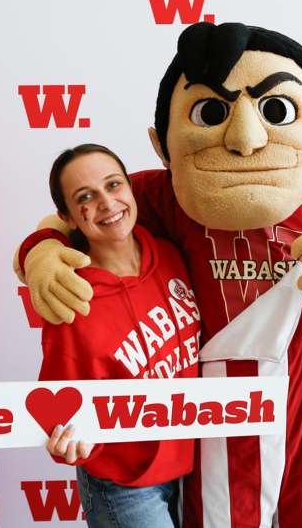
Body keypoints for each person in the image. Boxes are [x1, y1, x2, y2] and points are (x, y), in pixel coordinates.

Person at [17, 23, 302, 528]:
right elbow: (85, 213)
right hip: (206, 439)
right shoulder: (165, 195)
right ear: (163, 145)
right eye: (212, 113)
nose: (245, 138)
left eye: (275, 110)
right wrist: (41, 252)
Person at [33, 143, 201, 528]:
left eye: (113, 185)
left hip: (191, 469)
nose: (107, 203)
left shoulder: (171, 254)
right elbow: (59, 409)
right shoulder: (72, 300)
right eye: (86, 198)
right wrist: (67, 445)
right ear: (68, 217)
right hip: (125, 487)